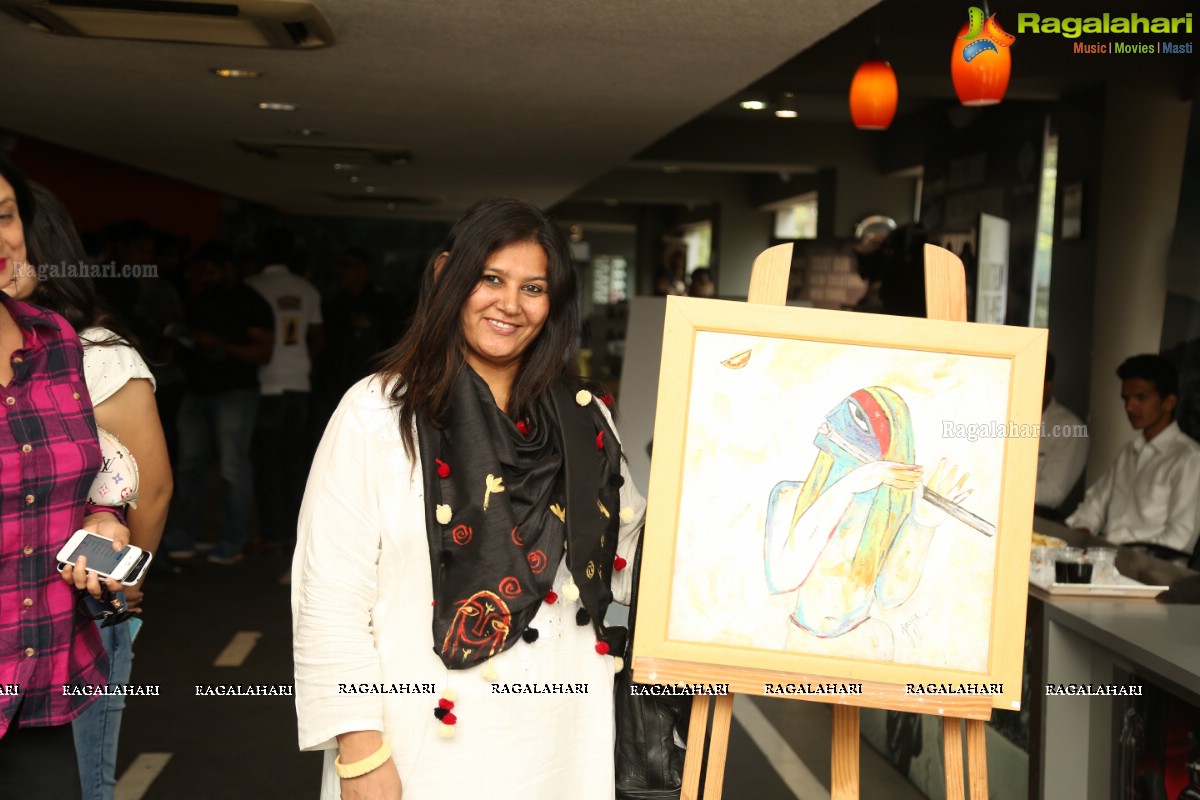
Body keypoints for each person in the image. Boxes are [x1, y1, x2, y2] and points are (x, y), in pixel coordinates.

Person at [292, 198, 646, 800]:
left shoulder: (587, 424)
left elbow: (633, 560)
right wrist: (358, 750)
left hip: (562, 738)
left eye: (533, 287)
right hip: (418, 744)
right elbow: (327, 594)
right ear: (450, 279)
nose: (510, 304)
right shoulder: (379, 414)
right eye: (491, 279)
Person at [4, 183, 172, 800]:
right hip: (16, 619)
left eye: (7, 224)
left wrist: (124, 595)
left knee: (87, 781)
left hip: (78, 611)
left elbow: (147, 494)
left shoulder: (90, 354)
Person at [164, 242, 274, 564]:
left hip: (236, 392)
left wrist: (222, 345)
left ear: (228, 268)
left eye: (211, 272)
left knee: (232, 468)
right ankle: (186, 534)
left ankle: (233, 539)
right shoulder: (198, 300)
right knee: (189, 466)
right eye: (201, 273)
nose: (206, 278)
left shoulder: (251, 302)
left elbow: (265, 352)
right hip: (196, 391)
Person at [1066, 354, 1200, 556]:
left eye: (1141, 397)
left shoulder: (1188, 458)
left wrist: (1122, 556)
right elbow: (1094, 505)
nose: (1130, 407)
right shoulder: (1129, 452)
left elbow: (1180, 539)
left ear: (1169, 402)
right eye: (1126, 398)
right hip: (1107, 561)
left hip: (1152, 575)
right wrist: (1083, 533)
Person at [245, 228, 323, 552]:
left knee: (267, 463)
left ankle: (272, 533)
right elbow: (317, 337)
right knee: (295, 462)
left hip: (266, 383)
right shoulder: (306, 289)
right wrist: (303, 364)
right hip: (298, 382)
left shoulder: (251, 287)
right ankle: (296, 534)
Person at [1034, 352, 1088, 518]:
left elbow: (1053, 494)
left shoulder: (1070, 428)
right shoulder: (999, 416)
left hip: (1038, 517)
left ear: (1048, 385)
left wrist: (996, 488)